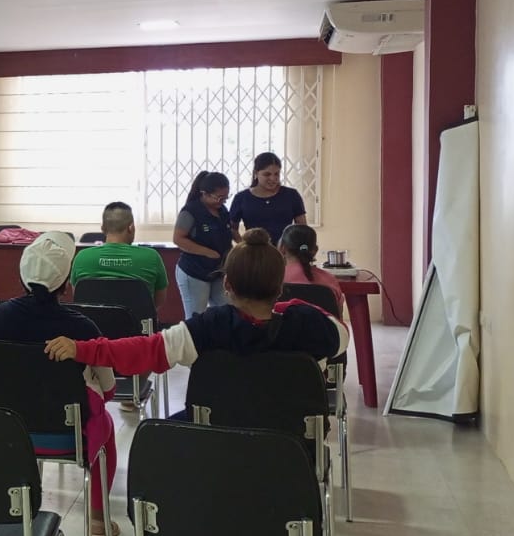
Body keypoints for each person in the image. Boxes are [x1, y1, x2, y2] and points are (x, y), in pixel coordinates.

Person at [47, 229, 350, 403]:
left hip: (217, 448)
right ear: (279, 287)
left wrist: (81, 348)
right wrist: (289, 306)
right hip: (292, 452)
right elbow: (341, 332)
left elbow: (140, 350)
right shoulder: (309, 326)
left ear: (227, 285)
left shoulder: (205, 328)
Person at [0, 232, 121, 536]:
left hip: (7, 431)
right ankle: (98, 521)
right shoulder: (82, 326)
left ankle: (7, 505)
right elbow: (109, 388)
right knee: (106, 426)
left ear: (22, 277)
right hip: (69, 436)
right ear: (65, 284)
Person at [69, 201, 169, 300]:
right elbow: (158, 300)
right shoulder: (151, 257)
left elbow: (78, 296)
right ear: (131, 228)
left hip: (92, 312)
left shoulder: (82, 257)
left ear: (103, 228)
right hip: (139, 311)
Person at [172, 171, 234, 317]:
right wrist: (207, 252)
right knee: (196, 316)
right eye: (218, 197)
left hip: (218, 272)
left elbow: (228, 233)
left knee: (228, 312)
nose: (222, 201)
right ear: (204, 194)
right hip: (194, 271)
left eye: (225, 198)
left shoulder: (222, 211)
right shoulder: (191, 211)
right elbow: (178, 239)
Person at [228, 151, 308, 244]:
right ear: (256, 173)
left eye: (276, 174)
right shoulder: (241, 198)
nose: (273, 179)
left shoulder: (291, 195)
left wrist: (299, 248)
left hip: (284, 250)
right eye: (267, 174)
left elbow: (302, 228)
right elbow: (232, 228)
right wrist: (245, 246)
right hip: (255, 250)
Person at [280, 223, 345, 314]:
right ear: (315, 250)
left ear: (282, 249)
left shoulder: (272, 279)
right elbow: (337, 319)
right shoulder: (329, 280)